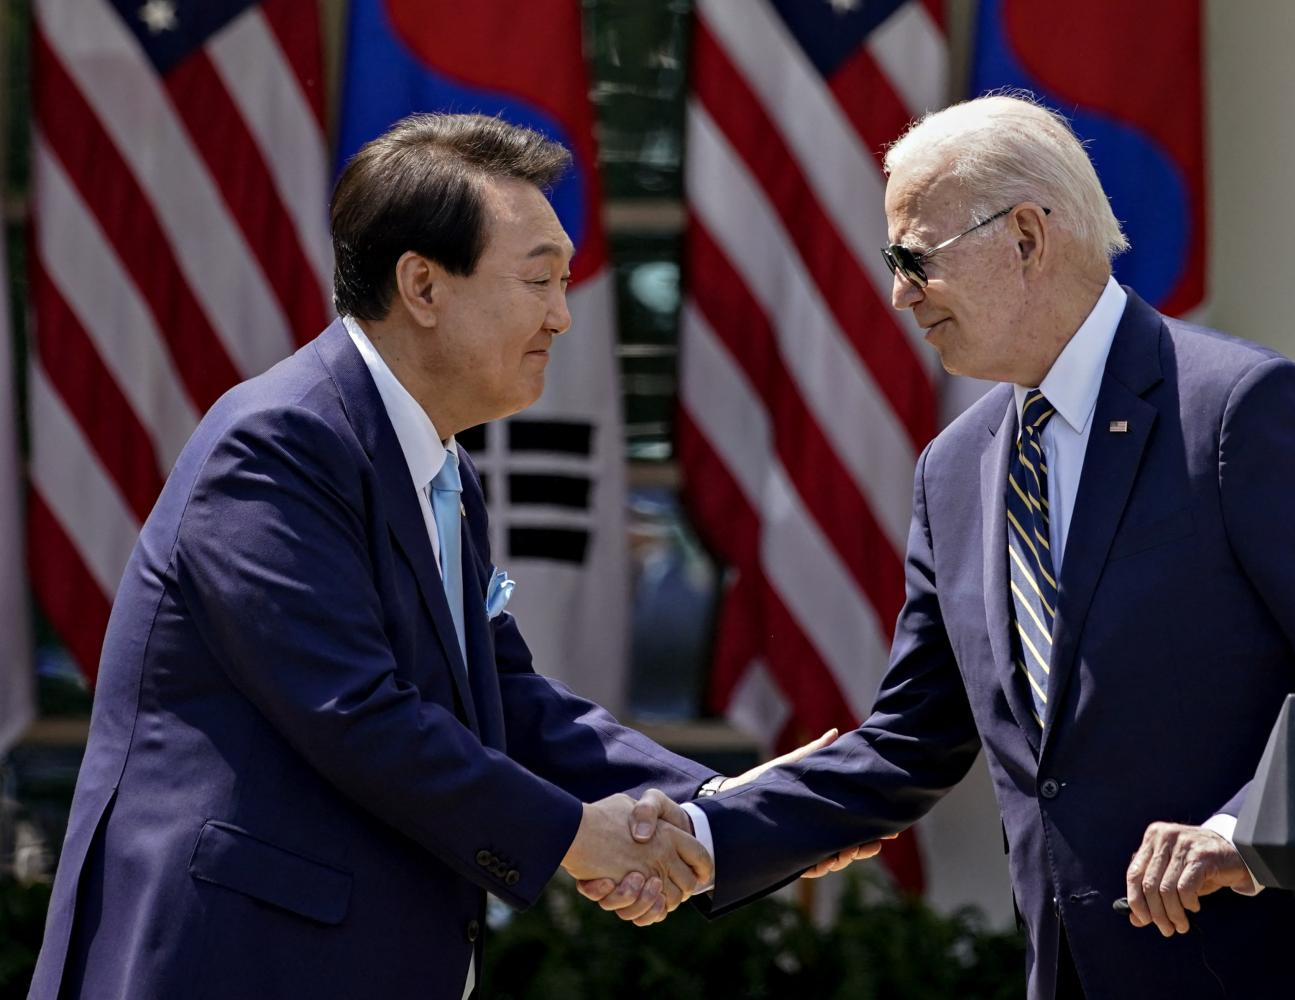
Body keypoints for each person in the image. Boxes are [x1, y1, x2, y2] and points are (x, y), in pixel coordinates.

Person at [583, 94, 1295, 999]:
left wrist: (1243, 834)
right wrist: (709, 833)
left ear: (1028, 237)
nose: (897, 292)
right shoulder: (953, 473)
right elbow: (909, 744)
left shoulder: (1237, 410)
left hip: (1277, 968)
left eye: (912, 257)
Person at [27, 113, 847, 1000]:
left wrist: (724, 805)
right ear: (422, 284)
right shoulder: (277, 444)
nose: (563, 316)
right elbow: (358, 714)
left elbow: (512, 704)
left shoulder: (437, 462)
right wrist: (579, 835)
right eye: (539, 280)